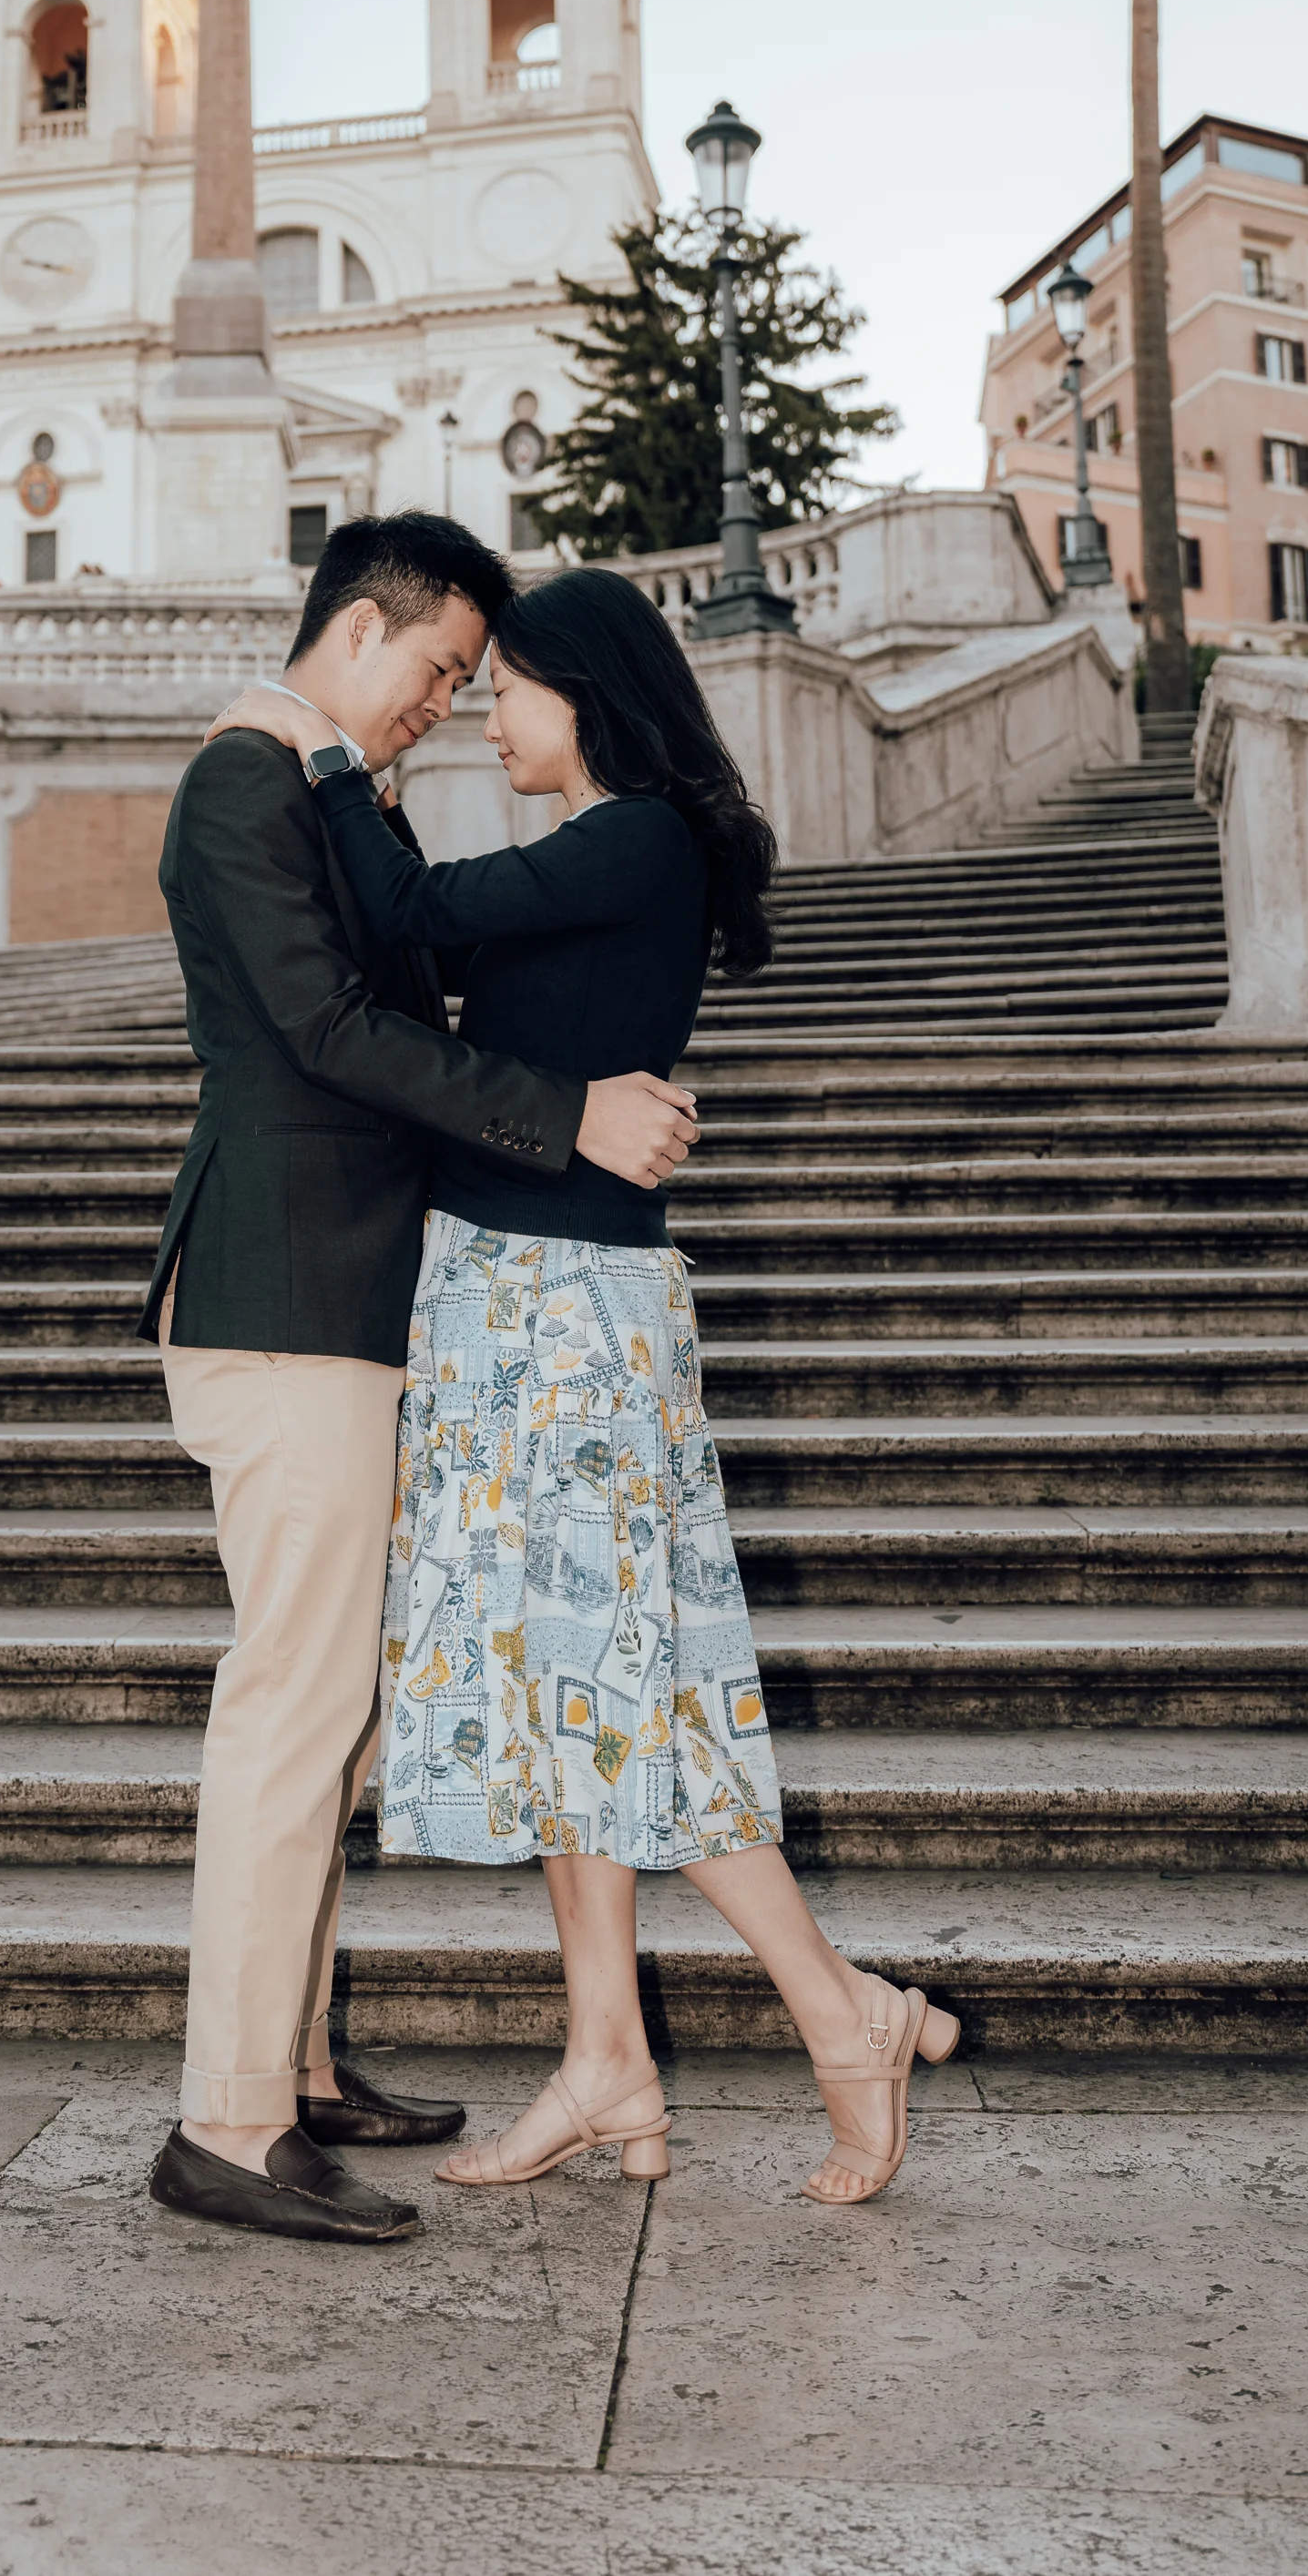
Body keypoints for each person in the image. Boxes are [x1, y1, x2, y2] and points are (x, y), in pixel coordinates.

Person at [209, 564, 960, 2209]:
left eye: (509, 685)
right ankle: (608, 2056)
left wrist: (319, 752)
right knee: (571, 1695)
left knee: (616, 1688)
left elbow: (406, 922)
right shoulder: (611, 850)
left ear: (588, 696)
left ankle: (842, 2015)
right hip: (511, 1293)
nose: (485, 709)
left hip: (561, 1306)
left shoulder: (630, 839)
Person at [139, 514, 701, 2248]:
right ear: (365, 632)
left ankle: (294, 2066)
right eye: (445, 672)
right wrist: (568, 1114)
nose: (451, 709)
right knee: (294, 1712)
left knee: (341, 1716)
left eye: (480, 682)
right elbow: (324, 1031)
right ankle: (227, 2120)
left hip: (360, 1304)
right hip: (282, 1295)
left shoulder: (339, 797)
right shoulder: (247, 779)